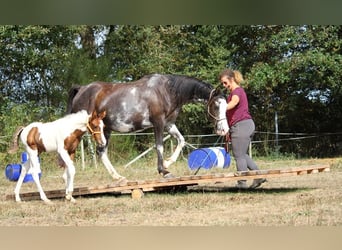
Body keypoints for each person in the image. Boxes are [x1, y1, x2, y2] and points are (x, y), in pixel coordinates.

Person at [219, 69, 266, 189]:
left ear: (232, 79)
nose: (224, 86)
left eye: (225, 82)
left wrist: (222, 108)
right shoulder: (233, 92)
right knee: (242, 154)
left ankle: (242, 183)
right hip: (244, 125)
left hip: (241, 125)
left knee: (238, 155)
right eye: (222, 83)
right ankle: (259, 176)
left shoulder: (237, 91)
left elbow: (235, 102)